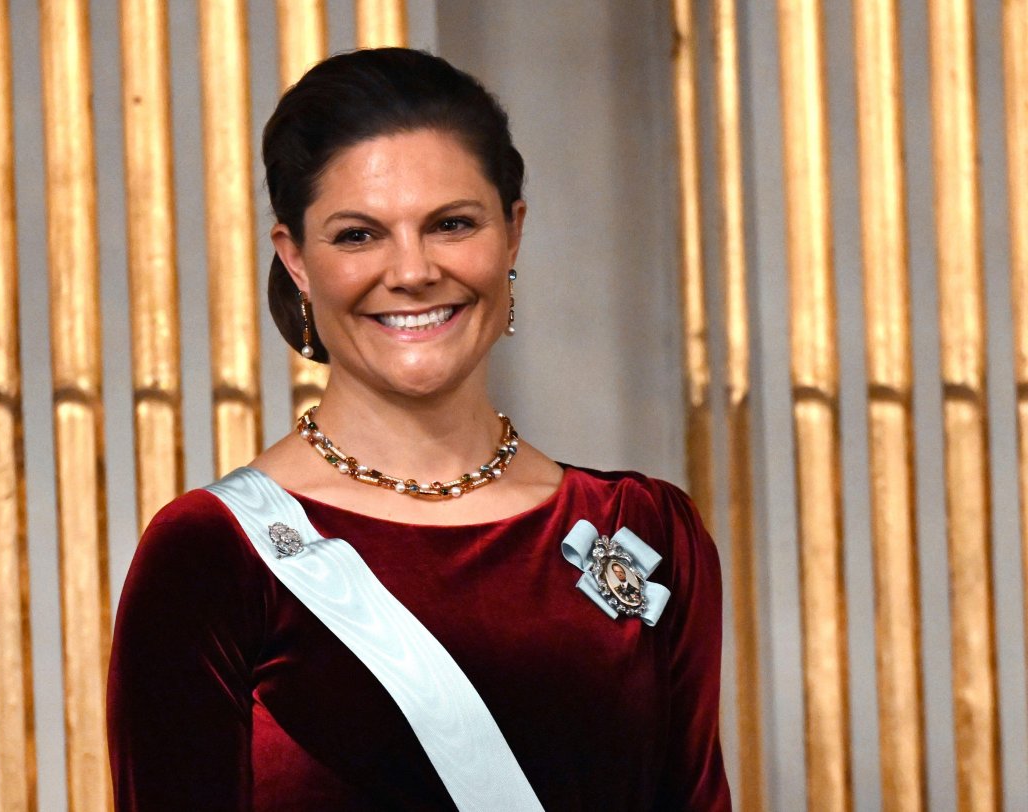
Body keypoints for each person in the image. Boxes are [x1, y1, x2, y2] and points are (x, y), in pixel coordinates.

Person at [107, 47, 730, 811]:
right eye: (359, 235)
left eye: (452, 224)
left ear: (512, 233)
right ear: (295, 259)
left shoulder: (643, 531)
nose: (412, 271)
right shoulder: (213, 555)